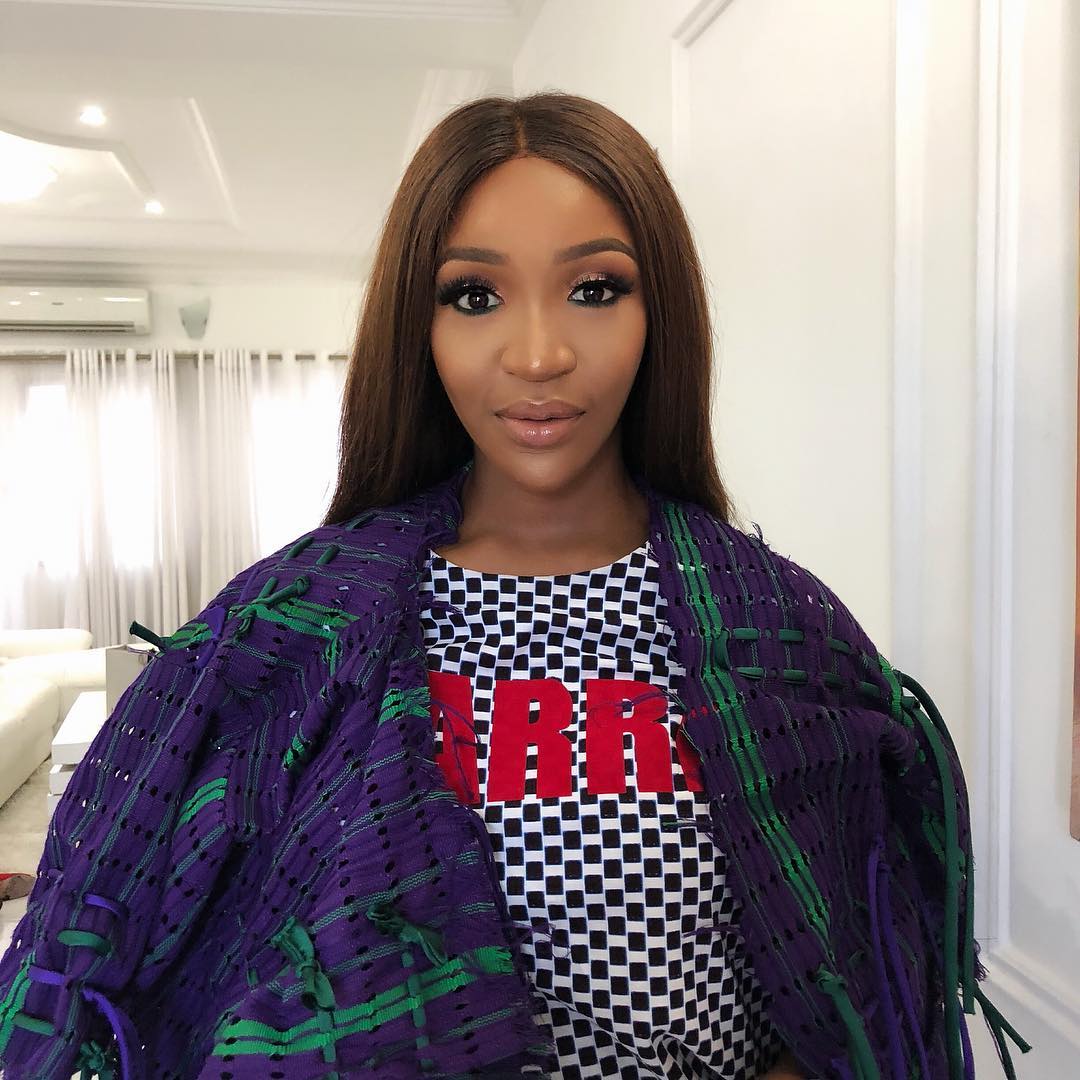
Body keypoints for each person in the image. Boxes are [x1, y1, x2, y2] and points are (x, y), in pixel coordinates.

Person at [0, 92, 1029, 1080]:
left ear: (660, 313)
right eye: (475, 296)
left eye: (596, 289)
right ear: (420, 325)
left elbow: (867, 981)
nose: (539, 354)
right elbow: (178, 951)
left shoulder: (783, 628)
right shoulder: (293, 633)